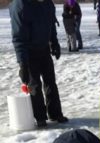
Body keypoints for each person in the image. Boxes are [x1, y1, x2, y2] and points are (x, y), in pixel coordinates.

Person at [9, 0, 68, 128]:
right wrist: (22, 63)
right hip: (29, 52)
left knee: (50, 82)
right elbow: (18, 37)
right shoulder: (20, 6)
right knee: (34, 86)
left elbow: (51, 23)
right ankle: (40, 117)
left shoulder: (47, 4)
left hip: (44, 49)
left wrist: (54, 42)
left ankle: (55, 113)